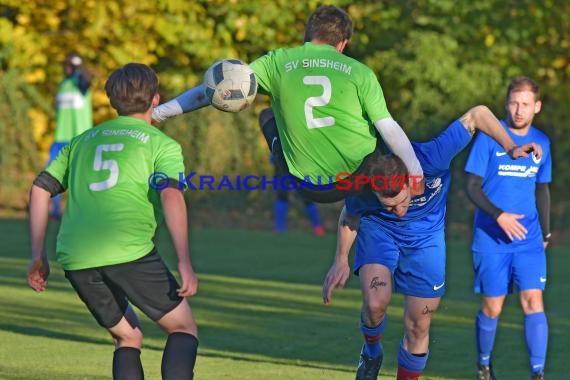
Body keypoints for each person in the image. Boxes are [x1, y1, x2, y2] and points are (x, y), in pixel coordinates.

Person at [322, 105, 540, 380]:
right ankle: (371, 352)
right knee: (376, 304)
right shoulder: (366, 184)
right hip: (381, 233)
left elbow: (478, 115)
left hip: (427, 238)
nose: (399, 210)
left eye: (402, 201)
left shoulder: (432, 157)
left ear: (410, 179)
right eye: (389, 206)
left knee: (418, 324)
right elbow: (350, 216)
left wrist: (511, 147)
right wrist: (341, 259)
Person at [27, 63, 199, 380]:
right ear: (155, 100)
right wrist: (184, 261)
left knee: (128, 337)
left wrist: (38, 256)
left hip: (76, 257)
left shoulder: (80, 141)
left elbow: (40, 189)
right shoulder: (161, 145)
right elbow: (171, 196)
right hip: (128, 250)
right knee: (183, 329)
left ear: (112, 102)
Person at [152, 5, 425, 203]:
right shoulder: (359, 72)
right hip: (358, 176)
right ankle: (396, 204)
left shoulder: (277, 62)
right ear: (342, 43)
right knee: (378, 136)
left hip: (308, 186)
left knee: (266, 114)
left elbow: (211, 91)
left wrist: (159, 113)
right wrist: (415, 174)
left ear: (307, 35)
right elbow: (388, 127)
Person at [464, 77, 551, 380]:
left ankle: (537, 373)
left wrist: (547, 233)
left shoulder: (542, 143)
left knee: (533, 300)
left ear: (536, 107)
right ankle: (484, 365)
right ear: (506, 103)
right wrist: (499, 215)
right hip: (491, 237)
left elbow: (542, 190)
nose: (519, 109)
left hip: (528, 239)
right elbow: (472, 187)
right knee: (492, 307)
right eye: (514, 102)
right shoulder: (489, 138)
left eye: (525, 104)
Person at [48, 52, 94, 220]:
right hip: (60, 138)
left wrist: (79, 66)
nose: (66, 67)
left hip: (80, 138)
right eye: (65, 64)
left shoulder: (81, 83)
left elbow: (87, 79)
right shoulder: (63, 84)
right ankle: (55, 211)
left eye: (70, 65)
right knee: (52, 176)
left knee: (81, 177)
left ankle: (82, 210)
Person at [270, 151, 326, 236]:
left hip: (297, 163)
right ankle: (280, 228)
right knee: (283, 195)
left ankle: (317, 227)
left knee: (306, 196)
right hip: (288, 161)